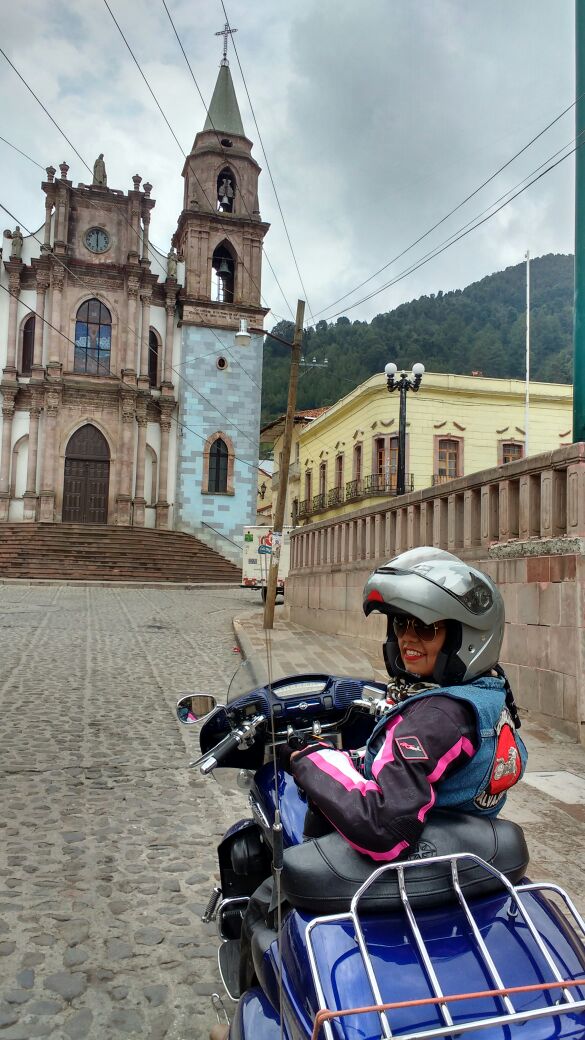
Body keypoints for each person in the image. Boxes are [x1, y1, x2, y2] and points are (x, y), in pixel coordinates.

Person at [216, 547, 527, 1039]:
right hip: (465, 838)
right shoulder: (485, 695)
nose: (407, 637)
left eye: (426, 628)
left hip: (404, 856)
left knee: (268, 899)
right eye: (401, 623)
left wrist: (312, 760)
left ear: (464, 638)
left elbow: (385, 825)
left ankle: (252, 1009)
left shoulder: (438, 717)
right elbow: (426, 767)